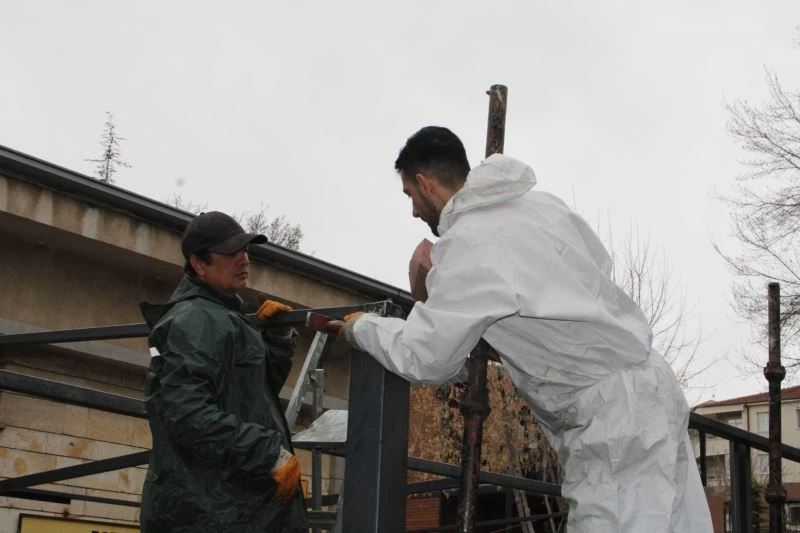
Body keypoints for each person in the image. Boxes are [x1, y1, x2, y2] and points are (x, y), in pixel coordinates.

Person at [335, 126, 713, 532]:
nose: (413, 210)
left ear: (425, 184)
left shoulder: (466, 243)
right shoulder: (541, 207)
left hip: (612, 421)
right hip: (651, 386)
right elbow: (591, 276)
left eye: (410, 195)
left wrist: (362, 328)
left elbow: (426, 357)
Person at [139, 211, 307, 533]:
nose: (243, 259)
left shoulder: (223, 315)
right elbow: (187, 414)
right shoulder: (195, 319)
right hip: (211, 512)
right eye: (230, 252)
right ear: (198, 263)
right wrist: (267, 451)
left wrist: (277, 339)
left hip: (232, 508)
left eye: (245, 250)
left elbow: (251, 396)